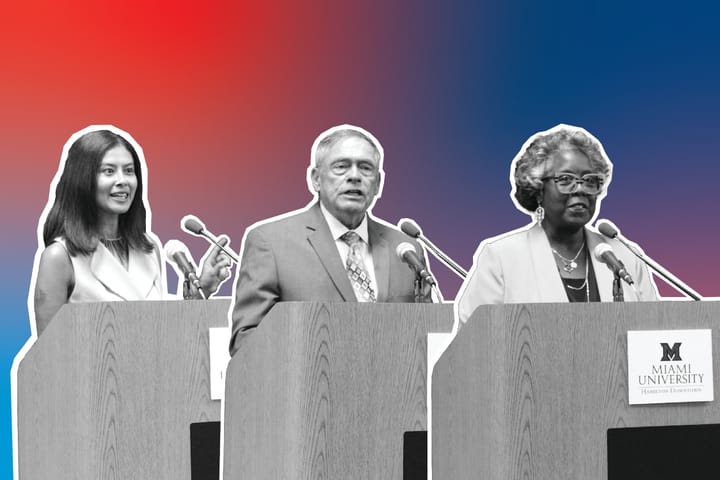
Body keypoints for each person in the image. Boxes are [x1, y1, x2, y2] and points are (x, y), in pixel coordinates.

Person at [229, 124, 433, 355]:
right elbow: (246, 342)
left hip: (396, 387)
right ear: (315, 179)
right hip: (309, 385)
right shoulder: (270, 242)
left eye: (365, 168)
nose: (354, 176)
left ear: (378, 184)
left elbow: (427, 336)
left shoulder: (405, 249)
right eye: (341, 167)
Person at [31, 126, 231, 336]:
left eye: (129, 170)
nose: (123, 181)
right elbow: (47, 358)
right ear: (82, 179)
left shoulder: (148, 248)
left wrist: (202, 292)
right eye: (109, 171)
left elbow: (157, 335)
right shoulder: (59, 257)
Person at [456, 124, 658, 325]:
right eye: (565, 179)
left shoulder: (625, 256)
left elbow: (654, 334)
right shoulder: (501, 258)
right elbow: (472, 344)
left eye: (590, 180)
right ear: (537, 188)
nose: (580, 189)